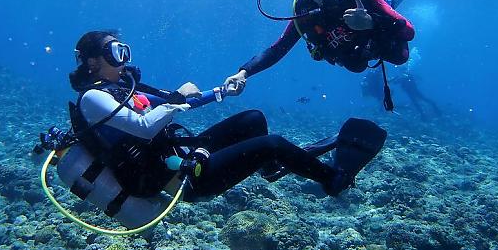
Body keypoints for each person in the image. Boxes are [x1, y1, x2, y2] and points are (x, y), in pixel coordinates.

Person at [54, 30, 386, 227]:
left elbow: (177, 100)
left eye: (123, 50)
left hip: (180, 155)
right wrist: (176, 101)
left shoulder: (126, 86)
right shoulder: (93, 98)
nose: (123, 59)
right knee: (270, 142)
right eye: (114, 52)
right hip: (178, 179)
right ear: (91, 61)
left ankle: (270, 170)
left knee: (253, 119)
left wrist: (221, 92)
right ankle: (334, 180)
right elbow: (143, 127)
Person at [223, 0, 415, 95]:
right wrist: (244, 73)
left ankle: (388, 1)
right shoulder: (306, 11)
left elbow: (408, 31)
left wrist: (371, 22)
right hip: (353, 54)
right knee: (354, 65)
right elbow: (278, 48)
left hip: (376, 38)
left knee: (400, 57)